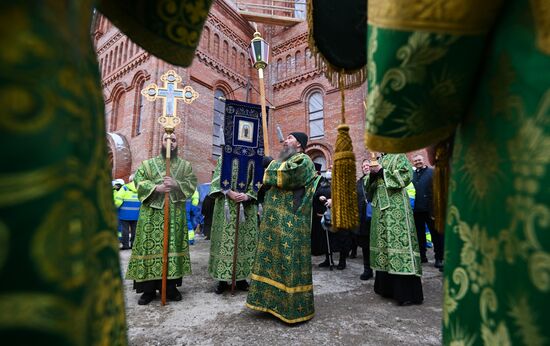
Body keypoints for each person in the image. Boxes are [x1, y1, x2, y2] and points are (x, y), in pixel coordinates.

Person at [246, 132, 320, 323]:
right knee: (271, 261)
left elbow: (289, 176)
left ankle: (291, 309)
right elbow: (267, 185)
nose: (285, 140)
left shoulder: (304, 160)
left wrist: (270, 164)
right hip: (273, 220)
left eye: (289, 138)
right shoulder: (284, 160)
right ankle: (268, 304)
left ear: (299, 144)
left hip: (291, 221)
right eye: (285, 138)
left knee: (288, 261)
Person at [126, 133, 197, 305]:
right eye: (166, 139)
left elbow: (192, 183)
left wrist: (176, 185)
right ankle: (148, 290)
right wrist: (156, 187)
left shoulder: (185, 166)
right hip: (151, 215)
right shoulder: (147, 164)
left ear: (177, 143)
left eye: (173, 140)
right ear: (161, 142)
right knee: (149, 248)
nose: (170, 142)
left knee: (172, 247)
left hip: (174, 215)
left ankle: (171, 287)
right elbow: (139, 181)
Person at [368, 153, 423, 306]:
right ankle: (386, 289)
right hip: (380, 208)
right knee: (383, 246)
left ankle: (405, 293)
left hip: (396, 207)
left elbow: (406, 175)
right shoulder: (379, 159)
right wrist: (372, 175)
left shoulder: (399, 156)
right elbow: (369, 184)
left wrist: (381, 171)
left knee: (398, 244)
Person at [208, 158, 258, 294]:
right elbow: (217, 178)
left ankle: (241, 279)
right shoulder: (224, 156)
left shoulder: (254, 159)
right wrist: (229, 192)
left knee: (242, 243)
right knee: (224, 243)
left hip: (245, 209)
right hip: (225, 207)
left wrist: (248, 196)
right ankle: (222, 280)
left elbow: (257, 181)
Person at [411, 154, 444, 268]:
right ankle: (422, 256)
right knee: (419, 235)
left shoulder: (432, 172)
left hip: (431, 210)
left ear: (423, 160)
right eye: (415, 161)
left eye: (419, 160)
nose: (417, 162)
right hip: (416, 210)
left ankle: (439, 258)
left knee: (436, 235)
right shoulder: (412, 175)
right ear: (413, 163)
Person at [354, 158, 373, 280]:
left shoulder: (377, 180)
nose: (365, 167)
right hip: (363, 220)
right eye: (364, 166)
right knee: (366, 247)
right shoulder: (359, 183)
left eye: (368, 165)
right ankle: (368, 270)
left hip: (375, 219)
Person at [115, 175, 140, 250]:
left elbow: (118, 200)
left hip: (124, 214)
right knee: (135, 230)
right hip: (136, 214)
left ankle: (125, 245)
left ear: (129, 181)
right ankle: (133, 245)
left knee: (124, 230)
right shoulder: (140, 189)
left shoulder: (125, 188)